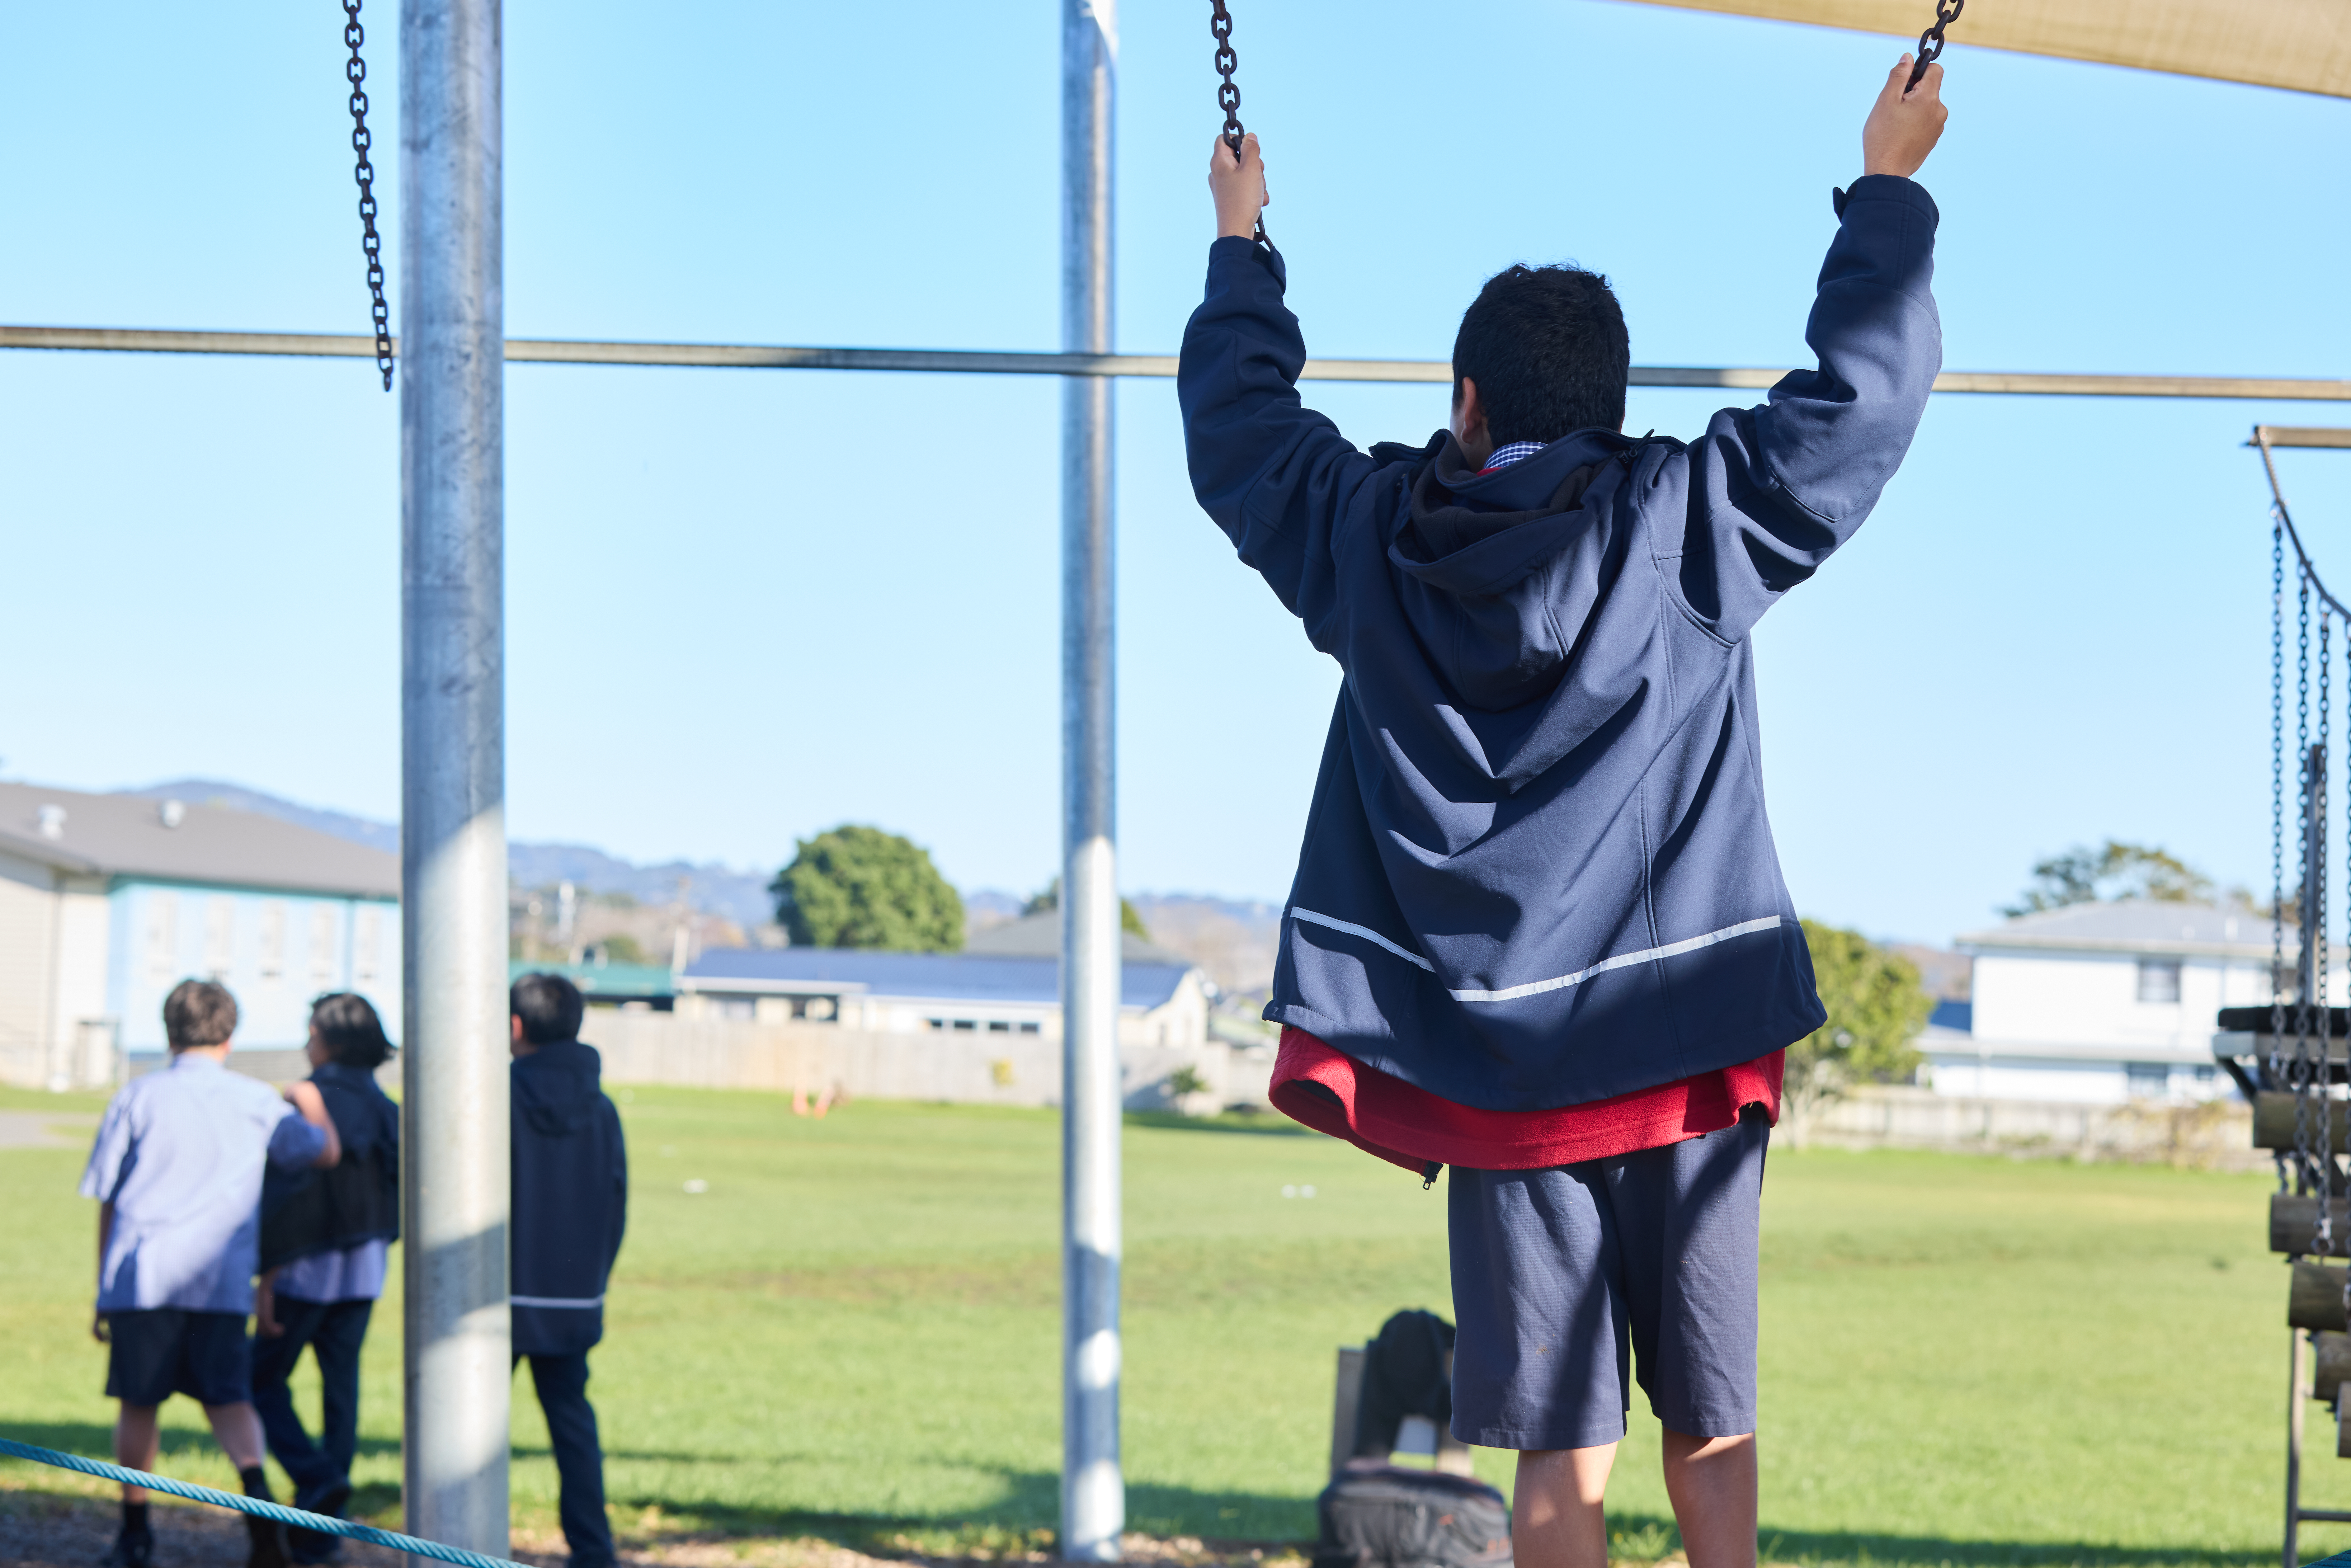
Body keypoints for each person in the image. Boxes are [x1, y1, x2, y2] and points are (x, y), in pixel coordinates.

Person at [1177, 56, 1949, 1568]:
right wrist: (1889, 185)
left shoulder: (1368, 539)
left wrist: (1241, 245)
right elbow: (1861, 401)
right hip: (1682, 1042)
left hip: (1501, 1078)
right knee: (1708, 1420)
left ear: (1464, 402)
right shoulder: (1682, 522)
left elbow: (1241, 432)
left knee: (1556, 1446)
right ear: (1607, 406)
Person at [81, 979, 344, 1568]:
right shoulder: (254, 1101)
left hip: (144, 1274)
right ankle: (258, 1504)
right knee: (230, 1400)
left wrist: (103, 1287)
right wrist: (311, 1099)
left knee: (139, 1403)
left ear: (168, 1031)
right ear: (229, 1036)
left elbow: (107, 1197)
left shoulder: (138, 1097)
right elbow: (323, 1152)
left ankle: (136, 1532)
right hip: (223, 1278)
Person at [251, 993, 402, 1564]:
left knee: (257, 1380)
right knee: (342, 1397)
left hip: (303, 1272)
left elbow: (288, 1197)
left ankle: (315, 1481)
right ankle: (325, 1531)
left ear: (325, 1036)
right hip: (364, 1273)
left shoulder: (310, 1101)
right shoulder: (388, 1108)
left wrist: (267, 1276)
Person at [510, 972, 628, 1568]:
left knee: (465, 1427)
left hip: (494, 1296)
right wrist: (592, 1283)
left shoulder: (498, 1095)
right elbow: (617, 1200)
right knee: (573, 1426)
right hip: (571, 1298)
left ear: (514, 1027)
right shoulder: (602, 1108)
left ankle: (453, 1538)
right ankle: (593, 1550)